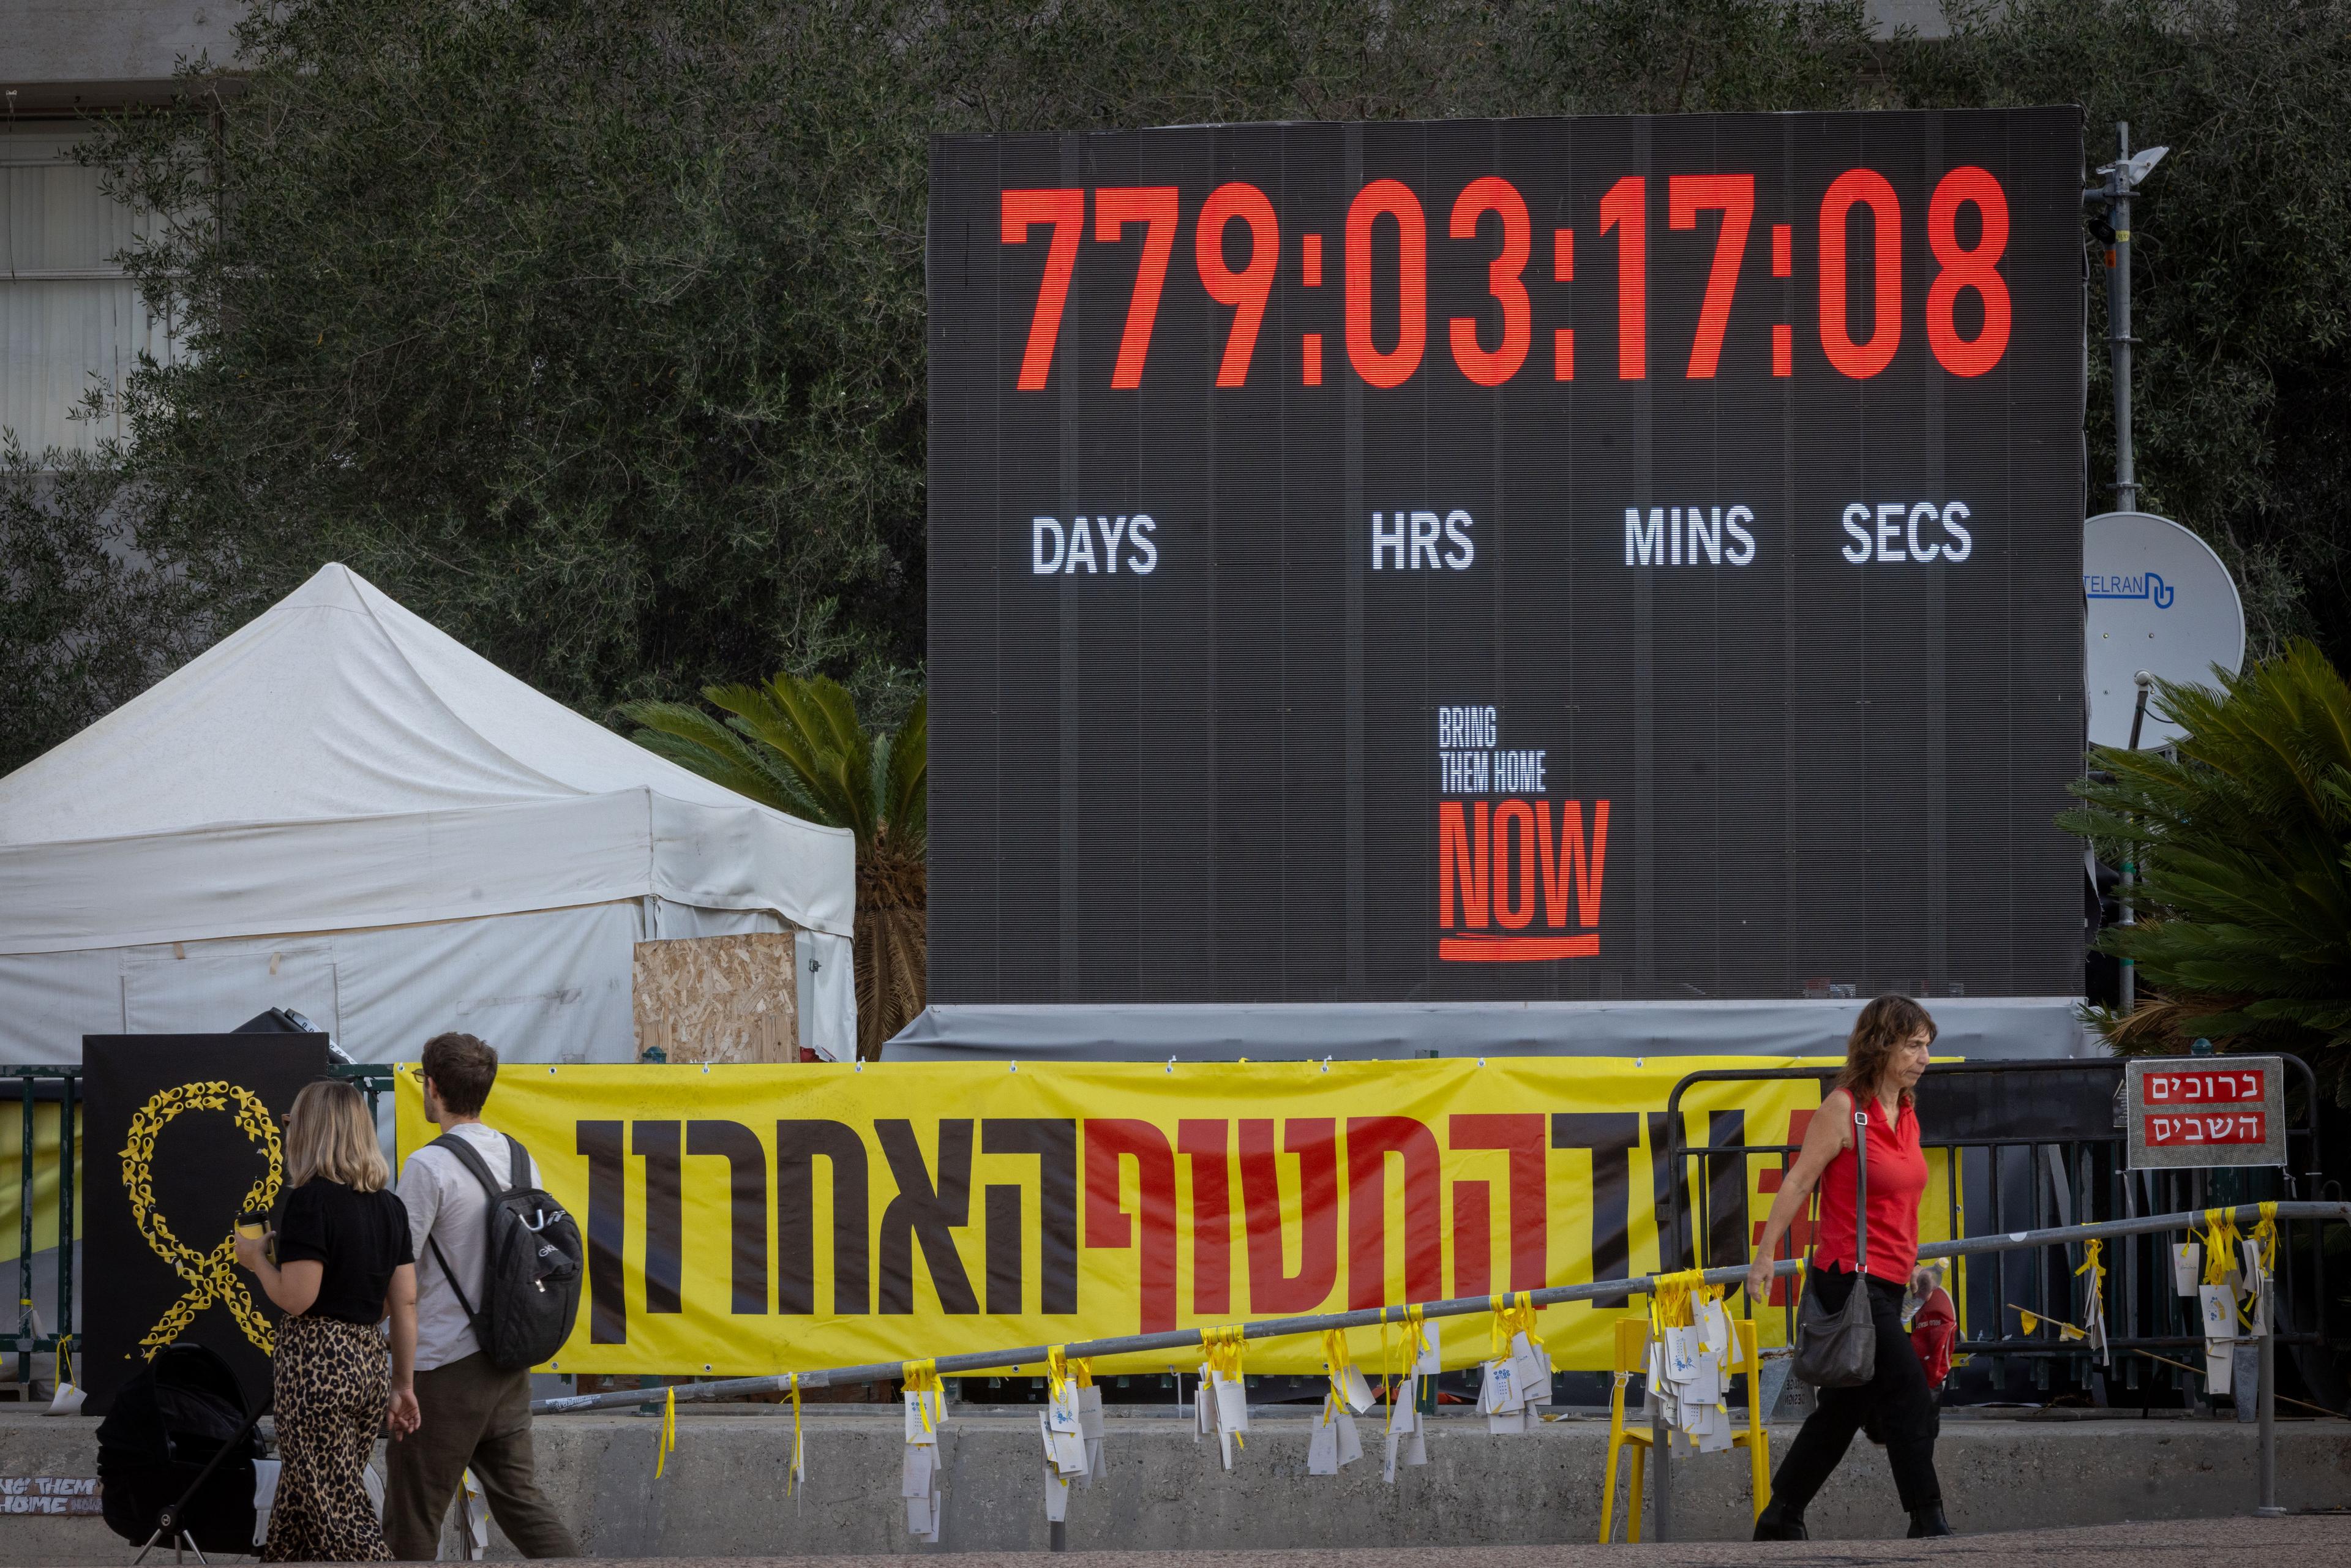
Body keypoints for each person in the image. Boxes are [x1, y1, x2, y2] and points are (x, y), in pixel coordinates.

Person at [1744, 994, 1950, 1541]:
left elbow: (1896, 1199)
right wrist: (1764, 1257)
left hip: (1888, 1278)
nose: (1923, 1057)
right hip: (1847, 1281)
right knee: (1908, 1390)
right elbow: (1798, 1182)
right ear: (1880, 1045)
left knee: (1843, 1409)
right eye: (1912, 1045)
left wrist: (1911, 1265)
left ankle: (1780, 1514)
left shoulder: (1906, 1111)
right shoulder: (1843, 1109)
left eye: (1927, 1045)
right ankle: (1926, 1519)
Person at [383, 1032, 580, 1561]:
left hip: (445, 1365)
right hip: (508, 1362)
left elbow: (397, 1270)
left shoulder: (429, 1167)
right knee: (521, 1502)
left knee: (412, 1517)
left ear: (433, 1086)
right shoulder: (520, 1158)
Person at [234, 1079, 419, 1563]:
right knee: (303, 1504)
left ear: (311, 1131)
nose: (286, 1130)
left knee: (338, 1513)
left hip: (316, 1364)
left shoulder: (311, 1200)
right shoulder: (390, 1207)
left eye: (293, 1120)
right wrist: (403, 1384)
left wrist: (256, 1260)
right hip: (367, 1362)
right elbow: (402, 1303)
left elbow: (297, 1297)